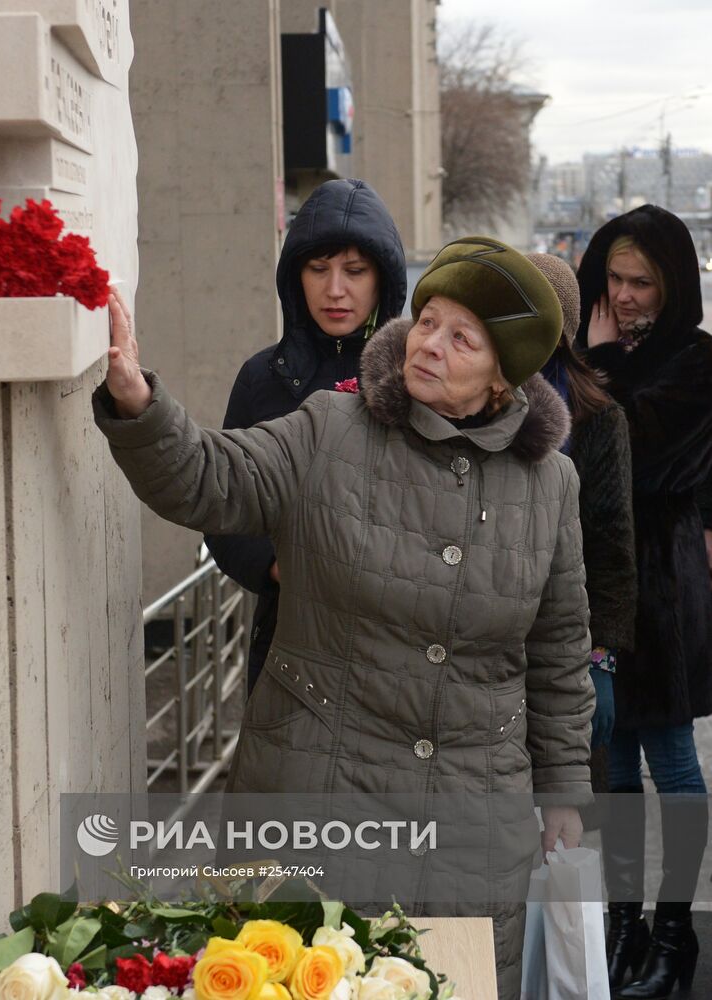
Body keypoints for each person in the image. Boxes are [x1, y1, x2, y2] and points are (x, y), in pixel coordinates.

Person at [93, 237, 596, 1000]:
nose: (429, 344)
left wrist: (562, 790)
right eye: (428, 320)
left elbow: (557, 650)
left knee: (449, 983)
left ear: (503, 376)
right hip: (320, 787)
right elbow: (208, 478)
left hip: (472, 811)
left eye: (462, 337)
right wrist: (138, 402)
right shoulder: (330, 428)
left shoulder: (550, 483)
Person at [574, 205, 712, 998]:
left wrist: (599, 368)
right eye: (615, 280)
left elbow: (638, 461)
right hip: (603, 588)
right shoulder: (589, 355)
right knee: (611, 763)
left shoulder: (693, 361)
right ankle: (622, 922)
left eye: (642, 283)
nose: (625, 297)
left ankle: (673, 932)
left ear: (671, 287)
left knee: (670, 760)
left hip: (661, 588)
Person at [203, 178, 407, 696]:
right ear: (296, 277)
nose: (335, 289)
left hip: (399, 646)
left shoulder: (417, 376)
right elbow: (222, 507)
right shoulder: (262, 378)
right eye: (318, 269)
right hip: (289, 642)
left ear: (384, 280)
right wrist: (277, 568)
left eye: (355, 271)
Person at [529, 254, 636, 755]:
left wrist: (602, 660)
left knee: (560, 806)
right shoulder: (476, 398)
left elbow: (611, 546)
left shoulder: (598, 417)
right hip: (487, 644)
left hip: (567, 645)